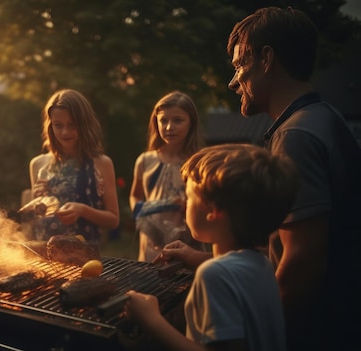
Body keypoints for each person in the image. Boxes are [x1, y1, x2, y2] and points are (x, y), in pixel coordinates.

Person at [160, 7, 361, 351]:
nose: (233, 81)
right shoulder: (323, 118)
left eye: (239, 65)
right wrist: (201, 259)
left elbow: (301, 260)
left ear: (266, 59)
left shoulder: (297, 135)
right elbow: (273, 260)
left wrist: (264, 335)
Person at [125, 143, 298, 351]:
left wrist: (151, 319)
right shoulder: (263, 265)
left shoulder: (214, 275)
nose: (186, 203)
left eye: (189, 197)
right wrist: (193, 256)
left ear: (212, 211)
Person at [28, 89, 119, 244]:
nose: (65, 132)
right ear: (50, 126)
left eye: (72, 125)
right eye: (58, 125)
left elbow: (113, 220)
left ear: (84, 125)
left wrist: (83, 210)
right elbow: (36, 217)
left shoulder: (101, 163)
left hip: (84, 257)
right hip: (45, 253)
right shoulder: (38, 164)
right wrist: (37, 203)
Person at [129, 90, 204, 262]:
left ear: (191, 123)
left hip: (186, 244)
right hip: (151, 243)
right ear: (156, 123)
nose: (169, 127)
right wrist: (139, 210)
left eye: (178, 120)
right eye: (164, 120)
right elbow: (135, 194)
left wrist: (190, 205)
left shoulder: (198, 163)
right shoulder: (145, 161)